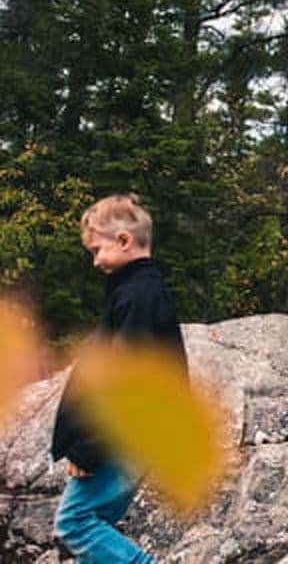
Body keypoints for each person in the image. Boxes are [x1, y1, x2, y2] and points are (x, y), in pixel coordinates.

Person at [51, 193, 187, 562]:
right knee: (94, 534)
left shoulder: (138, 297)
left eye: (96, 250)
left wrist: (89, 446)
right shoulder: (134, 292)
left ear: (124, 241)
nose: (95, 262)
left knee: (75, 523)